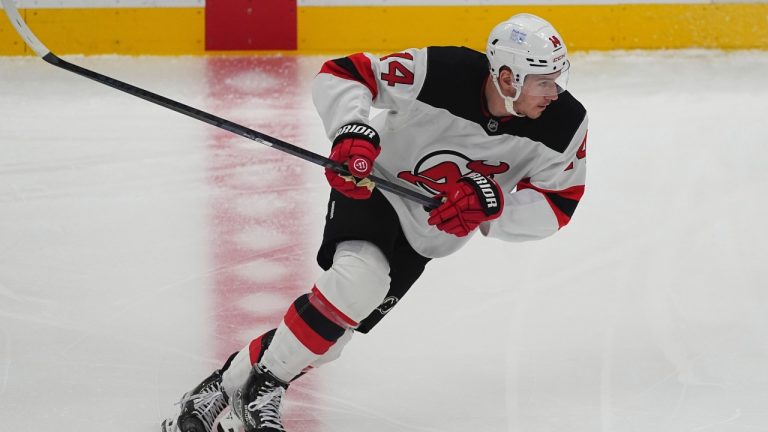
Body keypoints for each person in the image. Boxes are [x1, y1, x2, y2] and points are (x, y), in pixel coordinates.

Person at [161, 12, 588, 432]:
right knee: (357, 285)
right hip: (373, 188)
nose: (554, 93)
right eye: (544, 81)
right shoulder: (440, 70)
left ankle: (221, 386)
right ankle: (260, 392)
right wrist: (351, 129)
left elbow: (559, 204)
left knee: (330, 337)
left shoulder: (565, 123)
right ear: (509, 77)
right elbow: (346, 72)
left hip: (430, 236)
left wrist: (495, 207)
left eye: (557, 79)